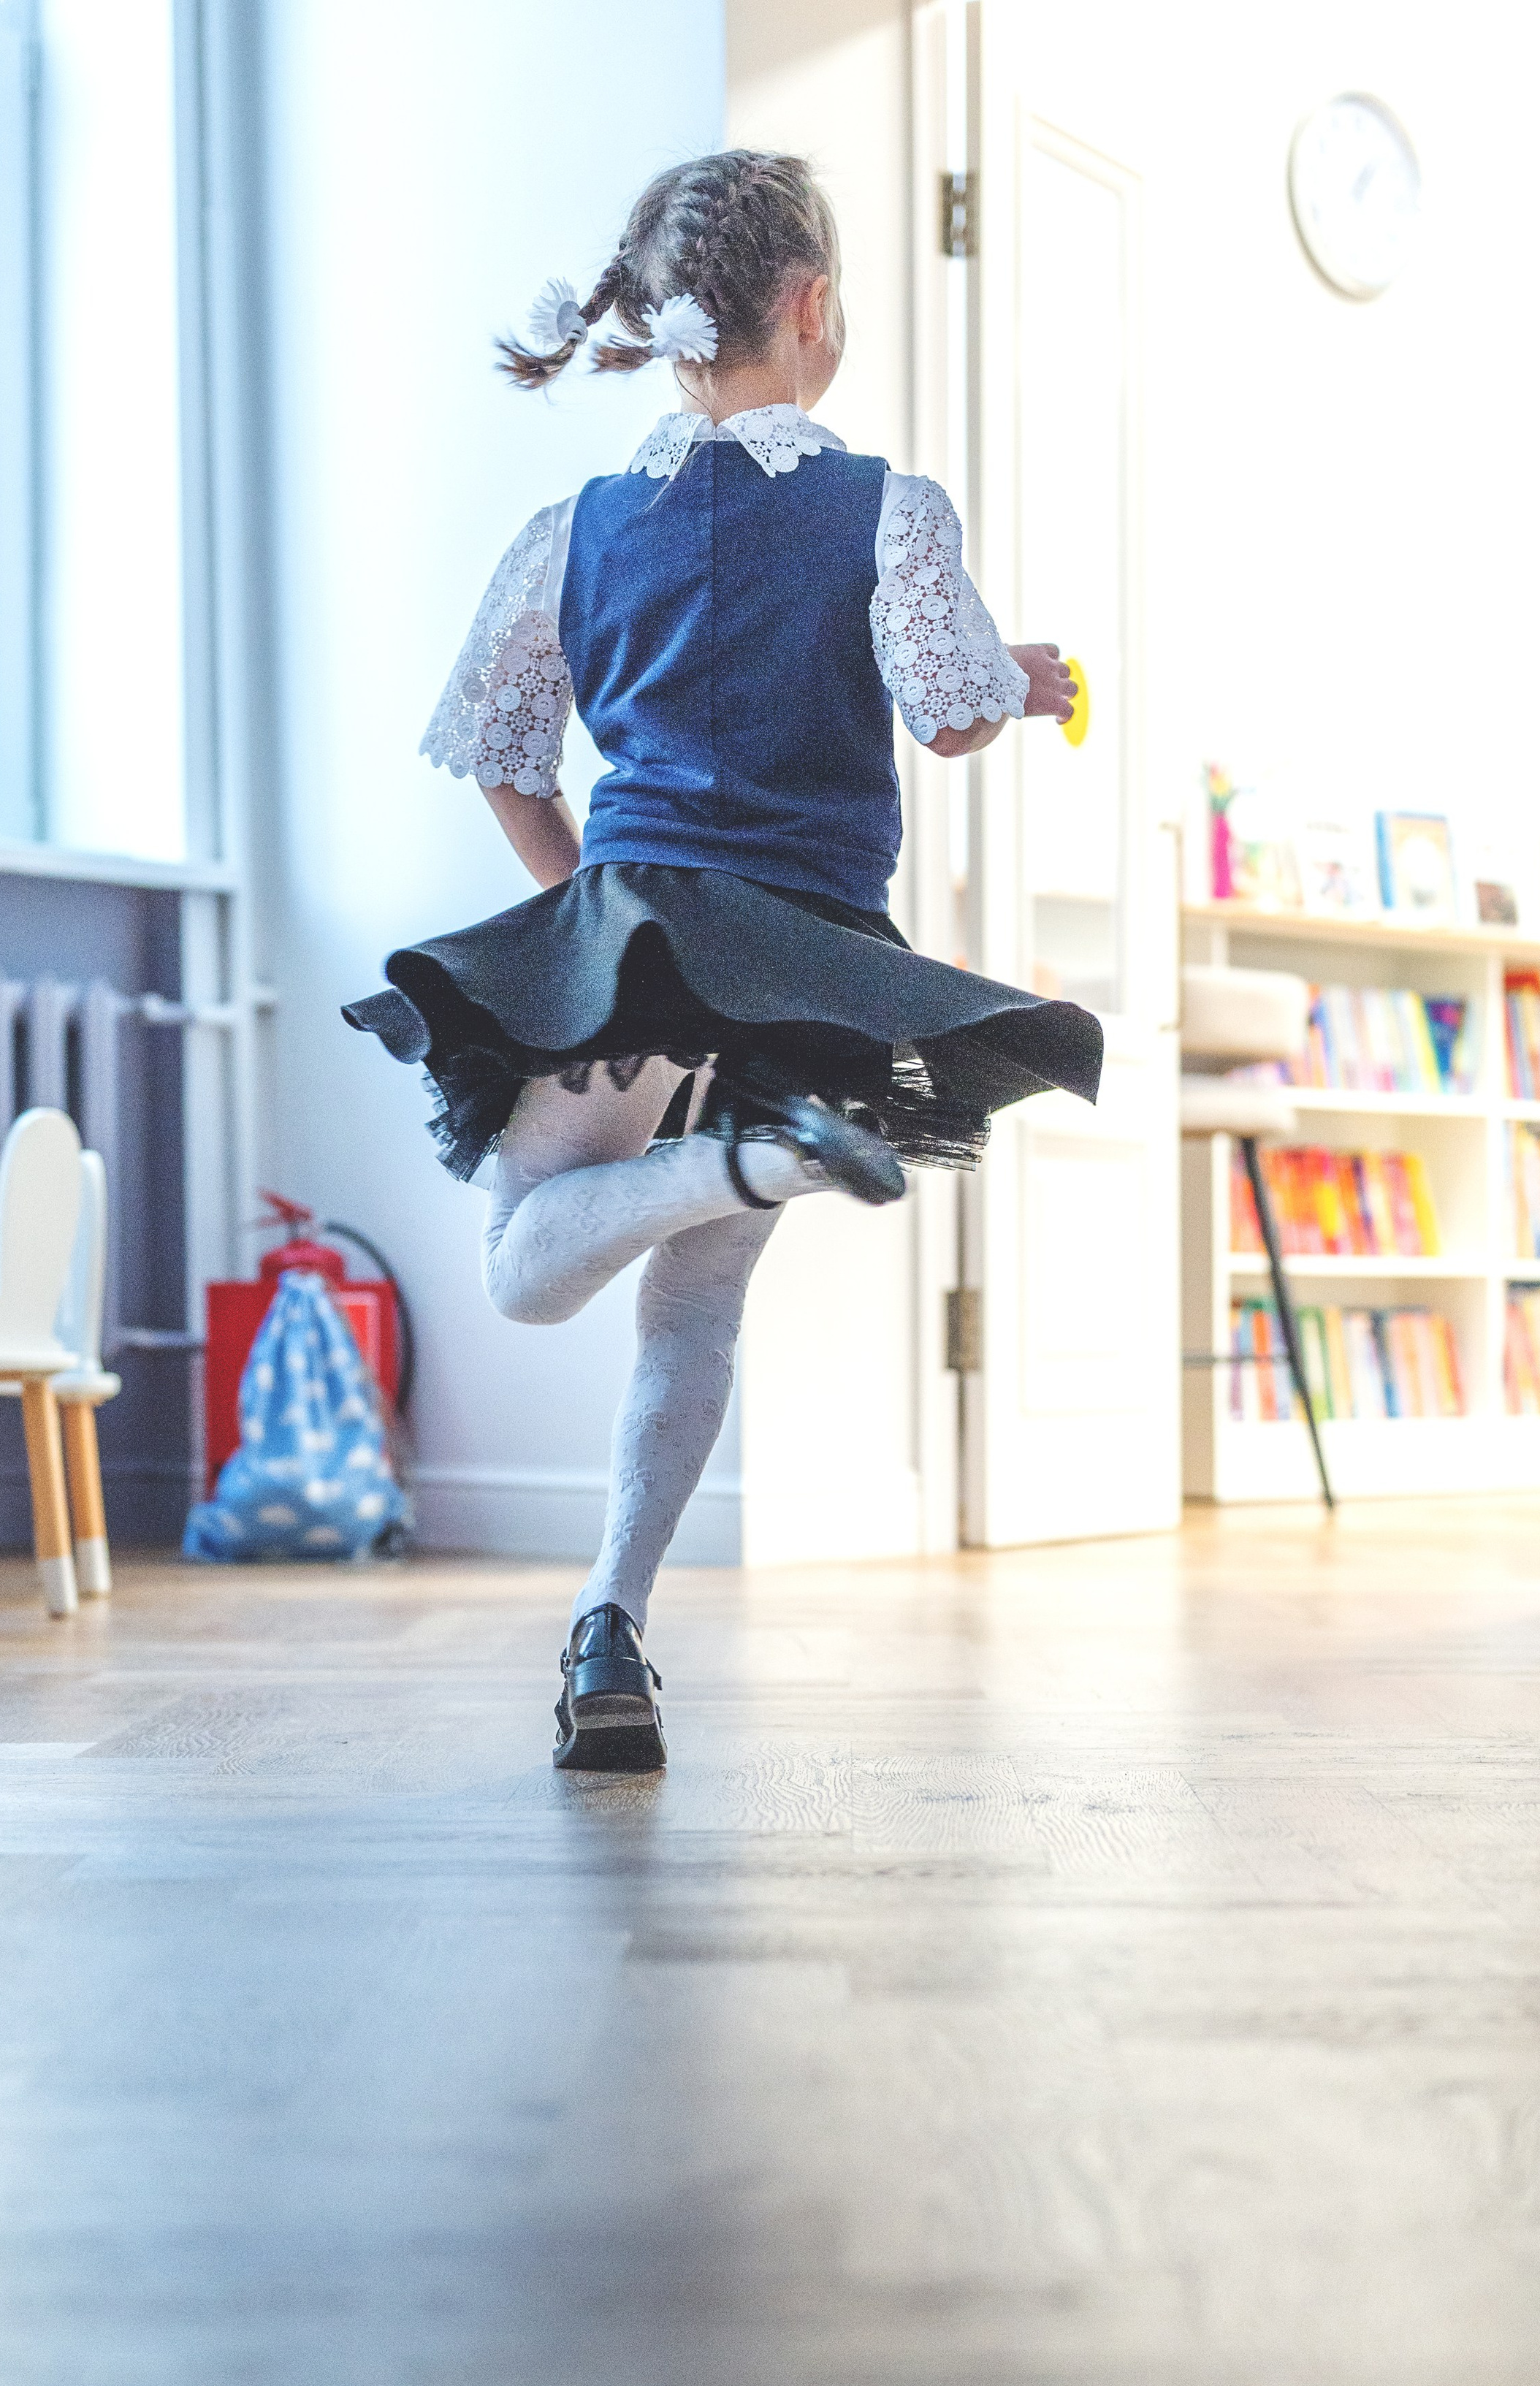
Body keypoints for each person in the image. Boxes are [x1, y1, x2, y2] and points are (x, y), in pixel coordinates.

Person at [344, 150, 1102, 1775]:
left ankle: (733, 1182)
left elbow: (500, 754)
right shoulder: (885, 507)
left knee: (526, 1270)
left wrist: (589, 924)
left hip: (633, 932)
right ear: (812, 306)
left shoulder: (574, 528)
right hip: (809, 964)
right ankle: (612, 1612)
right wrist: (1024, 680)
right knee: (688, 1321)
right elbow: (955, 708)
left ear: (661, 321)